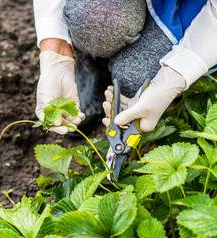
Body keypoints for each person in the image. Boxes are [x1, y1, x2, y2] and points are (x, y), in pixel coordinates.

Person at [33, 0, 217, 136]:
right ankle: (93, 62)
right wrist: (55, 54)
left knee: (135, 80)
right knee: (94, 18)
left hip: (199, 12)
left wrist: (174, 76)